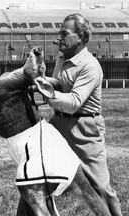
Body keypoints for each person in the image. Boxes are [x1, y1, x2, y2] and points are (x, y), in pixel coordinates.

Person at [41, 13, 122, 215]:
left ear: (81, 37)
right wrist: (38, 80)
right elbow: (58, 85)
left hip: (85, 131)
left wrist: (48, 94)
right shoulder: (61, 57)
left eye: (64, 33)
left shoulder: (90, 65)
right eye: (59, 33)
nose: (59, 37)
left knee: (100, 188)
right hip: (58, 125)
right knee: (37, 177)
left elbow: (75, 102)